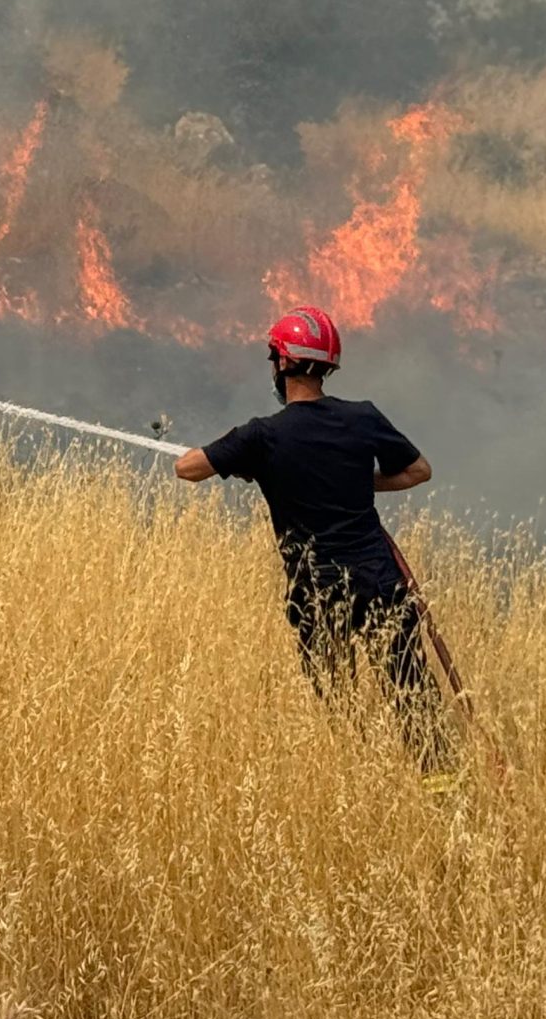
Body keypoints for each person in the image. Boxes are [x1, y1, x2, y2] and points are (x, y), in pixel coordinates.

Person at [174, 305, 443, 756]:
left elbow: (186, 468)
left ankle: (355, 782)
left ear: (281, 363)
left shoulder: (262, 436)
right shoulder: (363, 417)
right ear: (327, 366)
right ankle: (445, 793)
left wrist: (247, 461)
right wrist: (358, 482)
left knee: (340, 708)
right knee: (414, 702)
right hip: (381, 582)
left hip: (318, 595)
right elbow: (419, 471)